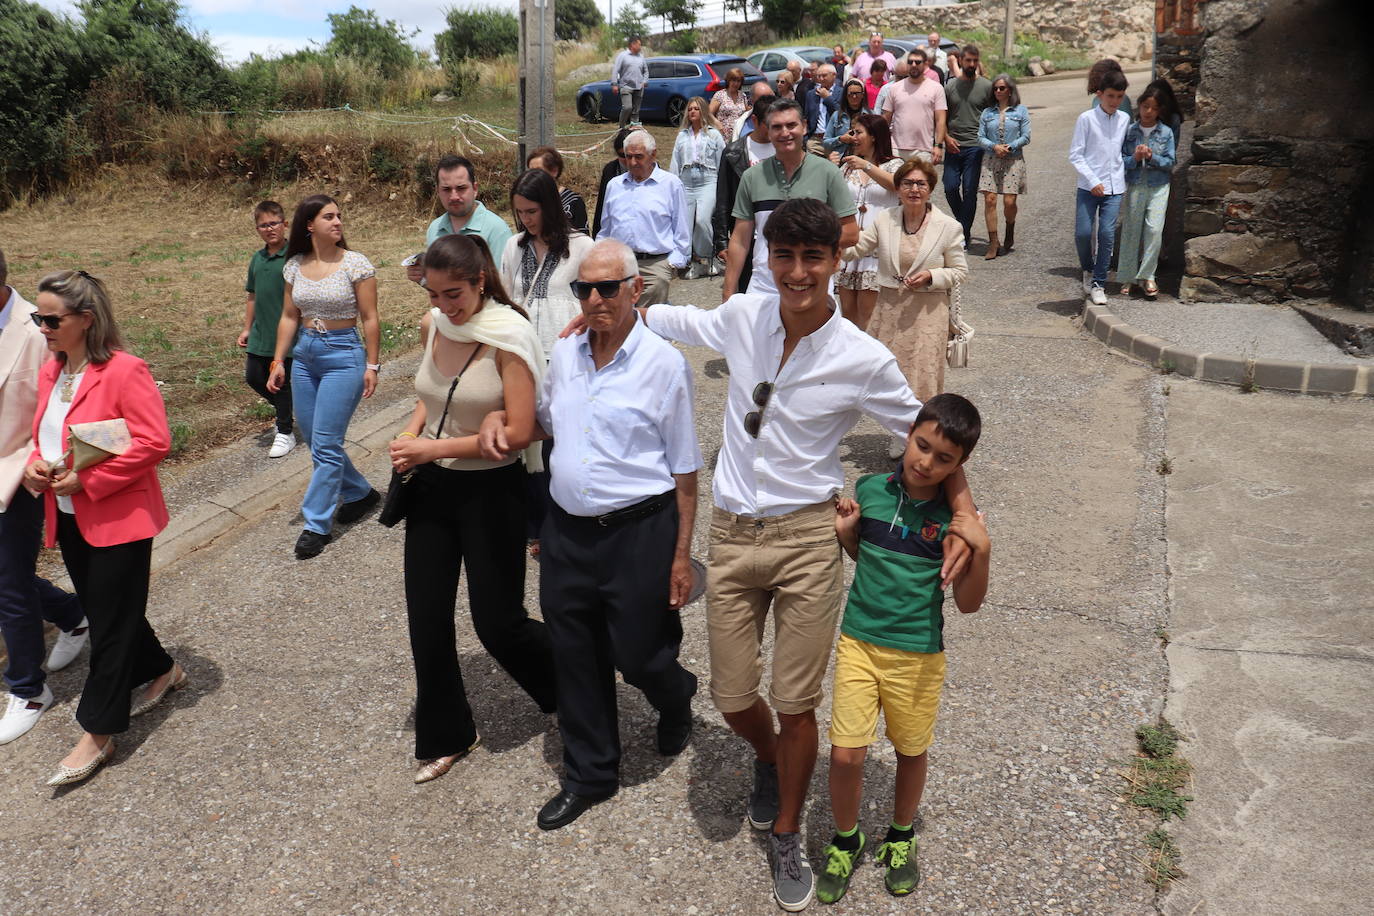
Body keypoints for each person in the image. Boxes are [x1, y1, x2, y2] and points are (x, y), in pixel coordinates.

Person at [640, 199, 977, 912]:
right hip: (732, 537)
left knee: (796, 704)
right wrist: (608, 311)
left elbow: (928, 429)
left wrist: (966, 510)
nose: (797, 272)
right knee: (733, 696)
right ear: (768, 257)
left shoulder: (860, 357)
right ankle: (767, 760)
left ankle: (790, 829)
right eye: (784, 256)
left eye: (811, 258)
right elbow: (674, 321)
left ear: (835, 262)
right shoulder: (744, 318)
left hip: (806, 543)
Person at [480, 239, 702, 831]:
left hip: (640, 533)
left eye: (608, 287)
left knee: (641, 653)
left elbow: (684, 470)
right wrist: (504, 418)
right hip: (567, 533)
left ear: (636, 288)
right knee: (575, 656)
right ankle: (590, 774)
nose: (596, 298)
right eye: (584, 288)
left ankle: (676, 692)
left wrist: (681, 557)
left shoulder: (663, 364)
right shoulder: (568, 353)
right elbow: (545, 423)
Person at [388, 233, 556, 784]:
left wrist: (429, 447)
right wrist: (411, 433)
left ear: (480, 281)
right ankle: (446, 733)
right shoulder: (435, 325)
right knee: (426, 619)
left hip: (492, 493)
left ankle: (573, 680)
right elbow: (431, 393)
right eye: (433, 295)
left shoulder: (509, 336)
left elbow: (522, 429)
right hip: (433, 489)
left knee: (498, 624)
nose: (443, 306)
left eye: (453, 294)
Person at [816, 393, 990, 904]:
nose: (926, 462)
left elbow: (970, 603)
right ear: (910, 433)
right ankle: (847, 839)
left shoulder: (958, 522)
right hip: (859, 642)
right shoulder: (869, 489)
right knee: (847, 754)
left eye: (944, 459)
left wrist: (983, 547)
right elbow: (864, 556)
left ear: (960, 465)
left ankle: (901, 834)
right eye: (921, 445)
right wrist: (848, 534)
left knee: (911, 750)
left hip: (917, 651)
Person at [22, 270, 185, 787]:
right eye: (37, 317)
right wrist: (35, 464)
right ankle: (163, 668)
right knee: (106, 610)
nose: (42, 327)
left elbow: (154, 441)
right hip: (68, 516)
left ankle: (98, 729)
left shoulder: (124, 370)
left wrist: (88, 482)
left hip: (119, 516)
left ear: (85, 320)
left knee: (110, 628)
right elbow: (42, 437)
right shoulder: (53, 372)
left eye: (51, 319)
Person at [0, 252, 86, 747]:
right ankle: (72, 614)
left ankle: (29, 691)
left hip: (19, 472)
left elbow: (61, 406)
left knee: (8, 585)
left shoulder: (38, 330)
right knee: (6, 578)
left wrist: (42, 466)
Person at [267, 195, 381, 559]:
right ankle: (360, 493)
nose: (337, 222)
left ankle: (316, 523)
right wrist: (278, 360)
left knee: (327, 444)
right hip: (305, 356)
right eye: (328, 216)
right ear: (309, 225)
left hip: (343, 356)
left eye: (339, 216)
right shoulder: (294, 266)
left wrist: (372, 365)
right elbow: (288, 316)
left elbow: (371, 318)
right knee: (318, 442)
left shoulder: (356, 264)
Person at [842, 157, 969, 456]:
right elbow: (858, 248)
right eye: (907, 183)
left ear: (930, 189)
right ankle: (902, 428)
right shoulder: (886, 219)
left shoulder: (948, 227)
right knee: (890, 374)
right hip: (890, 309)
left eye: (920, 184)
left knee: (923, 376)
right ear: (897, 188)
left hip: (928, 311)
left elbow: (960, 271)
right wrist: (824, 250)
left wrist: (932, 276)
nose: (914, 189)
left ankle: (919, 434)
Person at [723, 99, 859, 301]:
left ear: (804, 127)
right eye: (776, 127)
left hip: (812, 283)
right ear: (768, 132)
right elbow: (740, 240)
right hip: (763, 287)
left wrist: (803, 246)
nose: (785, 132)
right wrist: (728, 292)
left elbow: (850, 233)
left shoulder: (828, 173)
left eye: (791, 125)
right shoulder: (752, 177)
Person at [501, 169, 595, 355]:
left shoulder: (583, 246)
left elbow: (596, 303)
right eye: (519, 212)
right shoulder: (513, 246)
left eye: (531, 211)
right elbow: (504, 298)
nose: (525, 219)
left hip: (567, 353)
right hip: (521, 352)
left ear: (550, 206)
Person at [597, 129, 690, 305]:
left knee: (649, 320)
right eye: (628, 156)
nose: (632, 162)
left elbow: (681, 229)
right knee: (620, 320)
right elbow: (606, 229)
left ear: (652, 154)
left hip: (655, 265)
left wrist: (672, 264)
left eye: (638, 156)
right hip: (620, 264)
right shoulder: (614, 186)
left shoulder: (671, 184)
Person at [238, 201, 296, 458]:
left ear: (285, 224)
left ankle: (285, 431)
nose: (269, 229)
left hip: (286, 334)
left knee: (280, 383)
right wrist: (246, 328)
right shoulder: (257, 259)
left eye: (274, 223)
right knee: (253, 376)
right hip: (261, 332)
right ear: (257, 229)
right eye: (263, 225)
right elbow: (252, 295)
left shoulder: (295, 257)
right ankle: (288, 410)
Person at [1069, 67, 1131, 305]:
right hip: (1088, 187)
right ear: (1099, 94)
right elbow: (1076, 154)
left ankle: (1099, 283)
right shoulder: (1086, 119)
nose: (1115, 101)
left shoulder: (1125, 120)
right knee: (1083, 234)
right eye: (1110, 96)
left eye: (1119, 97)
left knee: (1106, 234)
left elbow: (1123, 153)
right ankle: (1087, 269)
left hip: (1115, 188)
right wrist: (1093, 181)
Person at [835, 114, 902, 330]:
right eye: (852, 132)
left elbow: (897, 185)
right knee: (847, 316)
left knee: (869, 316)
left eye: (858, 132)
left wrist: (866, 166)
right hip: (850, 248)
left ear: (873, 136)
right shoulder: (848, 166)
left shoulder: (894, 164)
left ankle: (869, 362)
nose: (853, 137)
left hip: (876, 249)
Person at [408, 156, 513, 284]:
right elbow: (440, 288)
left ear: (475, 189)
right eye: (446, 189)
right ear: (438, 192)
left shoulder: (496, 230)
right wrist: (424, 278)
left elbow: (503, 287)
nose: (454, 196)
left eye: (461, 188)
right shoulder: (435, 229)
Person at [1117, 86, 1177, 300]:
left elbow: (1170, 162)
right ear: (1139, 106)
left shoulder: (1166, 132)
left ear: (1159, 111)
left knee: (1154, 229)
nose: (1148, 111)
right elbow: (1121, 161)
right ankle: (1127, 276)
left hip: (1159, 185)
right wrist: (1135, 157)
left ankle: (1148, 275)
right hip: (1135, 183)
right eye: (1145, 106)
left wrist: (1152, 157)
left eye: (1153, 108)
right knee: (1132, 229)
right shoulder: (1131, 131)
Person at [714, 94, 776, 294]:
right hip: (747, 237)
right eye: (770, 124)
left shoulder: (786, 148)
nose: (777, 130)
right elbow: (723, 197)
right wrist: (722, 240)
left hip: (780, 236)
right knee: (745, 295)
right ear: (755, 121)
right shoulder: (734, 152)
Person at [943, 45, 995, 248]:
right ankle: (962, 226)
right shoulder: (949, 87)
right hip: (953, 145)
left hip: (976, 146)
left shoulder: (987, 87)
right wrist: (945, 138)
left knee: (969, 190)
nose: (971, 64)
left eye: (975, 60)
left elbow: (993, 116)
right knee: (949, 187)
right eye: (968, 60)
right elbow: (941, 118)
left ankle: (962, 234)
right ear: (961, 61)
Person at [670, 96, 726, 279]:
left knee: (702, 220)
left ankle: (709, 257)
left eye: (696, 108)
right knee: (685, 224)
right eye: (689, 109)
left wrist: (721, 186)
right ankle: (693, 262)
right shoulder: (682, 136)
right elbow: (675, 162)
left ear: (703, 111)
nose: (692, 111)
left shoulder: (714, 134)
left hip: (708, 179)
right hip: (686, 180)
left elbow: (721, 162)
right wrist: (673, 185)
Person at [978, 74, 1031, 259]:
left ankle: (1010, 227)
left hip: (1013, 160)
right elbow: (980, 136)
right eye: (995, 88)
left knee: (1009, 202)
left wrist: (1010, 146)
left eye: (1002, 88)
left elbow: (1026, 136)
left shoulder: (1021, 111)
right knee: (990, 199)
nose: (998, 91)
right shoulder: (987, 113)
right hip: (991, 159)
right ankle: (993, 242)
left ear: (1010, 90)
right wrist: (994, 146)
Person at [883, 49, 947, 164]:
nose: (913, 65)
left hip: (924, 150)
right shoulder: (894, 88)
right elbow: (885, 119)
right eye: (910, 62)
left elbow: (940, 120)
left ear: (926, 64)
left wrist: (938, 145)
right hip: (896, 149)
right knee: (894, 182)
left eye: (917, 62)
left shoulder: (937, 88)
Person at [526, 146, 589, 234]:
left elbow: (583, 238)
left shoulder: (574, 201)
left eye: (538, 171)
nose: (533, 176)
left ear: (554, 171)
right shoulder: (527, 201)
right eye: (530, 171)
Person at [591, 128, 632, 239]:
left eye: (632, 155)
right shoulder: (610, 170)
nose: (628, 160)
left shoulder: (651, 171)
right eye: (622, 155)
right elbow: (601, 207)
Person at [824, 79, 869, 157]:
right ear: (846, 96)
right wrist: (840, 139)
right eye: (851, 94)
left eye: (857, 93)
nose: (854, 96)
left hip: (864, 158)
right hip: (841, 158)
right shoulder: (836, 116)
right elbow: (826, 143)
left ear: (862, 95)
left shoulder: (870, 115)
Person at [611, 35, 649, 128]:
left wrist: (645, 81)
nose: (640, 47)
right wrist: (614, 84)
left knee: (636, 111)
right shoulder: (622, 56)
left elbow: (646, 71)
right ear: (633, 44)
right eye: (639, 44)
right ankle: (621, 127)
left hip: (639, 87)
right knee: (627, 107)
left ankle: (634, 128)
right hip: (626, 87)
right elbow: (616, 70)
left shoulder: (641, 57)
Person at [804, 63, 840, 156]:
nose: (821, 79)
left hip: (834, 140)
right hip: (815, 141)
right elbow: (807, 116)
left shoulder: (841, 92)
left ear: (834, 75)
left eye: (824, 75)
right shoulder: (811, 94)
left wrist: (828, 98)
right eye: (818, 76)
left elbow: (841, 114)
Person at [709, 67, 749, 143]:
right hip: (722, 136)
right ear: (728, 80)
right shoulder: (720, 95)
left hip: (738, 136)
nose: (736, 83)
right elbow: (708, 114)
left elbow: (746, 114)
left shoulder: (742, 95)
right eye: (733, 80)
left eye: (738, 81)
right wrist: (717, 123)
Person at [872, 57, 907, 122]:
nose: (902, 81)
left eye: (906, 77)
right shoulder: (886, 89)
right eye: (899, 77)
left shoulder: (914, 90)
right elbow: (877, 110)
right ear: (894, 74)